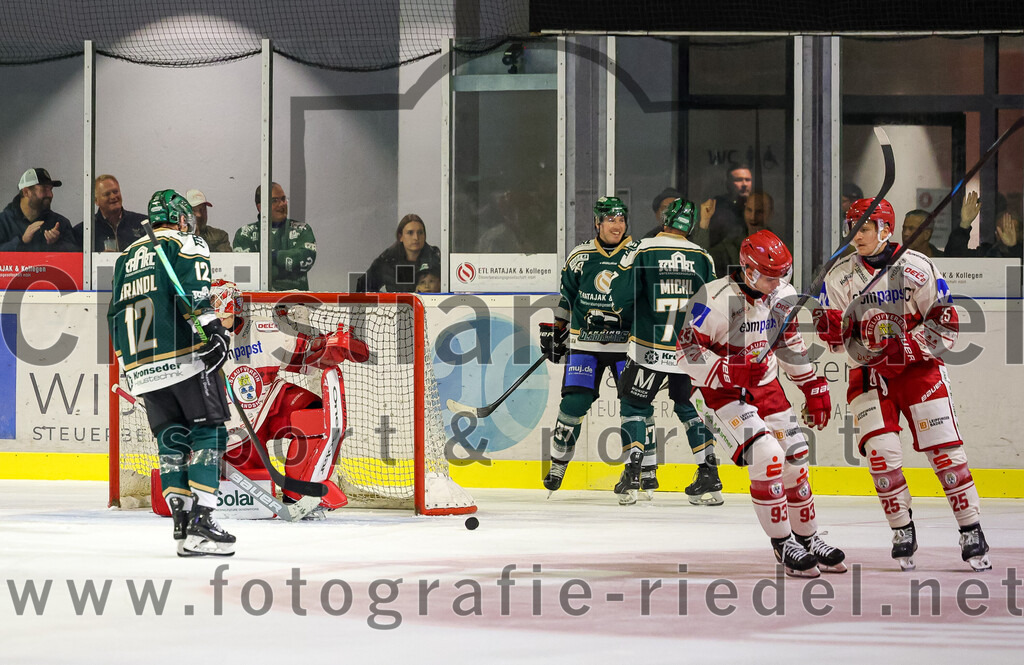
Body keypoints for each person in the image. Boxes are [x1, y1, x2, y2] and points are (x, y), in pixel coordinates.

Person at [815, 198, 991, 572]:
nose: (856, 235)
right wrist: (832, 330)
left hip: (919, 370)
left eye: (864, 227)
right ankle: (901, 528)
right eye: (853, 227)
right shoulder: (839, 275)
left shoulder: (918, 266)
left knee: (946, 454)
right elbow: (835, 338)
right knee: (882, 456)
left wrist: (907, 348)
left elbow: (947, 325)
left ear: (885, 229)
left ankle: (971, 529)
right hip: (869, 373)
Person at [676, 230, 845, 578]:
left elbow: (786, 342)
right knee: (767, 456)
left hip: (766, 388)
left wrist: (811, 383)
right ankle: (783, 545)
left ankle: (808, 538)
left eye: (782, 275)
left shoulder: (781, 292)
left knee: (796, 457)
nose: (778, 282)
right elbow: (685, 350)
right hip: (719, 394)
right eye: (770, 276)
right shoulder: (714, 297)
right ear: (749, 271)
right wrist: (726, 369)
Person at [107, 189, 235, 556]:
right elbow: (194, 295)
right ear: (181, 217)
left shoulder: (126, 258)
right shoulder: (186, 243)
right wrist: (216, 331)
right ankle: (203, 522)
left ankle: (181, 525)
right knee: (208, 432)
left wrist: (125, 361)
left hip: (142, 366)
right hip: (184, 356)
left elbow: (113, 315)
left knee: (172, 438)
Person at [211, 280, 370, 520]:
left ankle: (298, 491)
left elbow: (305, 352)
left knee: (312, 412)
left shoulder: (260, 332)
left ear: (236, 310)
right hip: (234, 427)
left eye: (224, 316)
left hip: (271, 401)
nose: (217, 323)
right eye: (212, 317)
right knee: (251, 500)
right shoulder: (192, 346)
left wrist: (331, 347)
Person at [611, 197, 724, 506]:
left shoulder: (643, 249)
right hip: (688, 351)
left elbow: (619, 297)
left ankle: (633, 473)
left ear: (664, 218)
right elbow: (711, 307)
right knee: (688, 408)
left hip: (649, 347)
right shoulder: (703, 257)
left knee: (634, 406)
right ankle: (710, 474)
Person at [538, 196, 635, 496]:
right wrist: (556, 330)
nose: (617, 225)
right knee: (572, 406)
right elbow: (566, 298)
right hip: (585, 344)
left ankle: (640, 469)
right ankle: (558, 464)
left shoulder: (638, 254)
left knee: (635, 407)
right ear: (597, 223)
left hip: (626, 346)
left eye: (620, 219)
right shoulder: (580, 255)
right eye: (610, 220)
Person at [233, 183, 317, 290]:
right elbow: (244, 274)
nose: (282, 204)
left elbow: (305, 258)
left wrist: (272, 256)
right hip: (257, 303)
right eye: (275, 201)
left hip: (296, 301)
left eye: (283, 199)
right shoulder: (245, 233)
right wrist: (287, 264)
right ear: (260, 207)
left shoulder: (302, 229)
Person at [0, 168, 78, 252]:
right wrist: (21, 241)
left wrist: (56, 244)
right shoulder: (3, 221)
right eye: (44, 189)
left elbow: (76, 257)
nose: (50, 194)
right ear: (26, 192)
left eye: (50, 189)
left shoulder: (61, 223)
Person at [358, 214, 441, 293]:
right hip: (398, 306)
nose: (416, 238)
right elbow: (363, 287)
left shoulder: (435, 258)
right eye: (410, 233)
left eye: (420, 233)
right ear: (400, 237)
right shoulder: (388, 260)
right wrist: (384, 302)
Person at [708, 190, 775, 277]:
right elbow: (707, 259)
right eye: (749, 210)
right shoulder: (729, 247)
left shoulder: (782, 250)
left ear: (770, 213)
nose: (753, 217)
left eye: (759, 212)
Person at [85, 174, 147, 252]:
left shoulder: (143, 224)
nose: (113, 197)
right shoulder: (84, 230)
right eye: (107, 194)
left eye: (115, 192)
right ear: (96, 201)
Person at [707, 163, 752, 250]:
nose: (744, 184)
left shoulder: (757, 205)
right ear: (729, 183)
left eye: (747, 180)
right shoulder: (719, 206)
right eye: (738, 180)